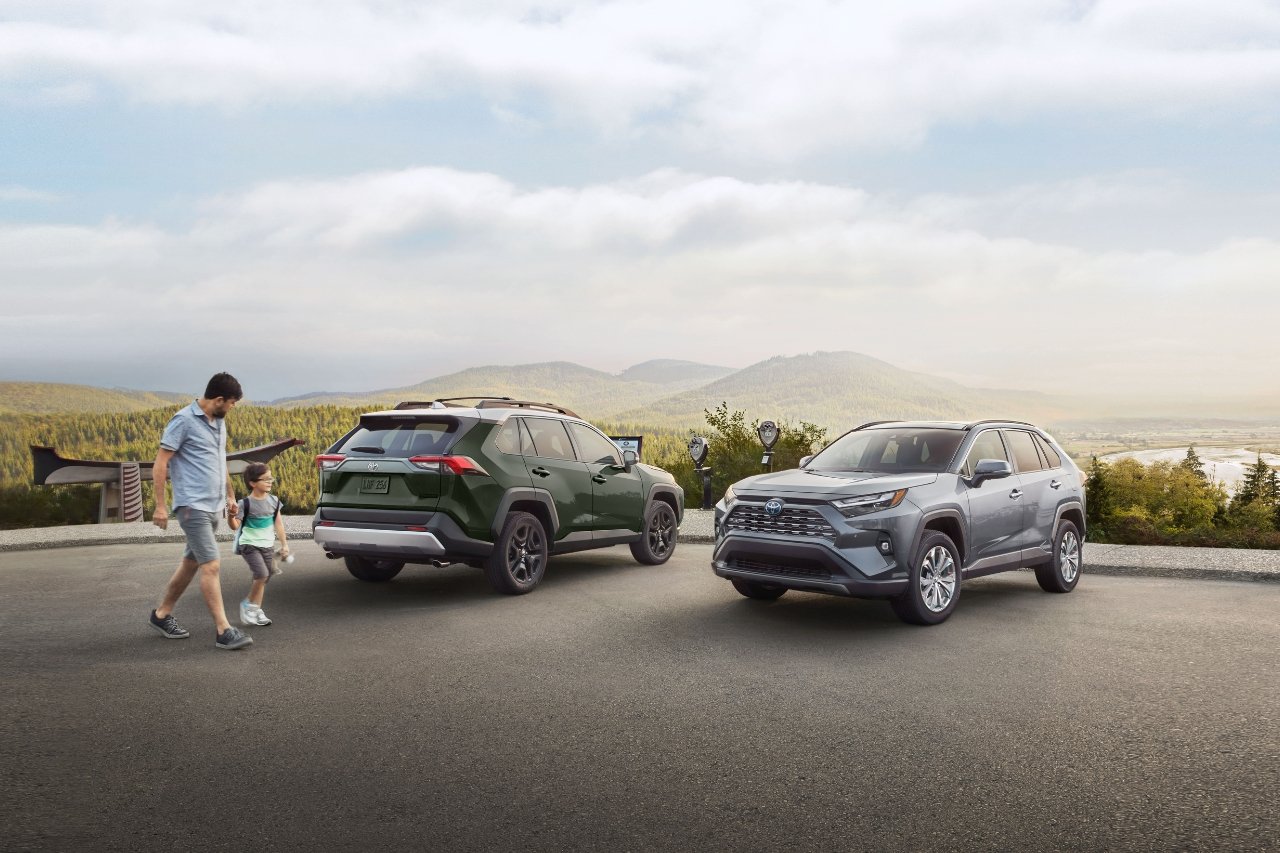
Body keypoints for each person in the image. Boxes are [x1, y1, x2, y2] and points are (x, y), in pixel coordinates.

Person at [147, 372, 253, 650]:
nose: (233, 408)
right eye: (231, 403)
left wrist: (230, 496)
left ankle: (161, 615)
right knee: (212, 564)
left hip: (214, 506)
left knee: (190, 563)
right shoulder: (182, 421)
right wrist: (160, 506)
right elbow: (160, 464)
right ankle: (224, 630)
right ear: (218, 399)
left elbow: (219, 463)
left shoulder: (218, 423)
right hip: (192, 506)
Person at [228, 462, 290, 627]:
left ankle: (256, 609)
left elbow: (279, 524)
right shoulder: (244, 504)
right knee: (261, 574)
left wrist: (284, 545)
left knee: (265, 576)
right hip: (249, 545)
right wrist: (231, 515)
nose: (270, 482)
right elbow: (235, 526)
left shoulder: (274, 501)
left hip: (267, 545)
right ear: (253, 483)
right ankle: (249, 605)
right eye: (266, 479)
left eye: (271, 478)